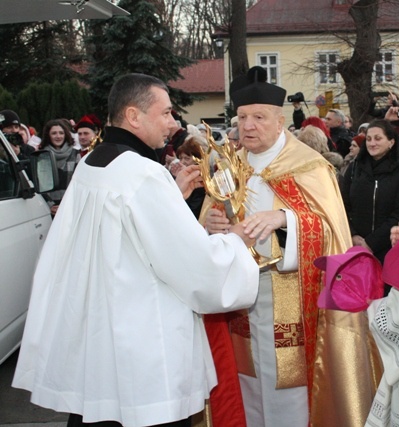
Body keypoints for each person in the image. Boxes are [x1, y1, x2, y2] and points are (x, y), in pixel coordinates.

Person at [12, 73, 260, 426]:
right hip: (142, 353)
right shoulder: (142, 173)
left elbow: (122, 242)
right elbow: (194, 266)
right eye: (166, 113)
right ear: (133, 116)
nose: (173, 123)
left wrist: (172, 197)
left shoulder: (93, 163)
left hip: (100, 340)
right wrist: (236, 241)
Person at [202, 66, 380, 427]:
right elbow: (210, 218)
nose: (248, 126)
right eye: (242, 117)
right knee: (247, 386)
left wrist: (286, 220)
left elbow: (334, 234)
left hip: (291, 297)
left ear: (280, 120)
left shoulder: (309, 166)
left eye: (259, 117)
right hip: (239, 300)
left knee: (290, 390)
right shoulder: (229, 168)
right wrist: (210, 225)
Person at [341, 119, 399, 265]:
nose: (372, 143)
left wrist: (371, 243)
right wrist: (353, 235)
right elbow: (343, 205)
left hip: (388, 250)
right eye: (368, 139)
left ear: (391, 142)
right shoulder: (355, 168)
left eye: (378, 138)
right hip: (354, 247)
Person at [39, 119, 81, 216]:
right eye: (54, 133)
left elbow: (79, 182)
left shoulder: (75, 154)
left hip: (71, 206)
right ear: (48, 135)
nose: (58, 136)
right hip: (49, 209)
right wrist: (50, 205)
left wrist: (68, 204)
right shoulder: (42, 156)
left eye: (61, 133)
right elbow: (40, 184)